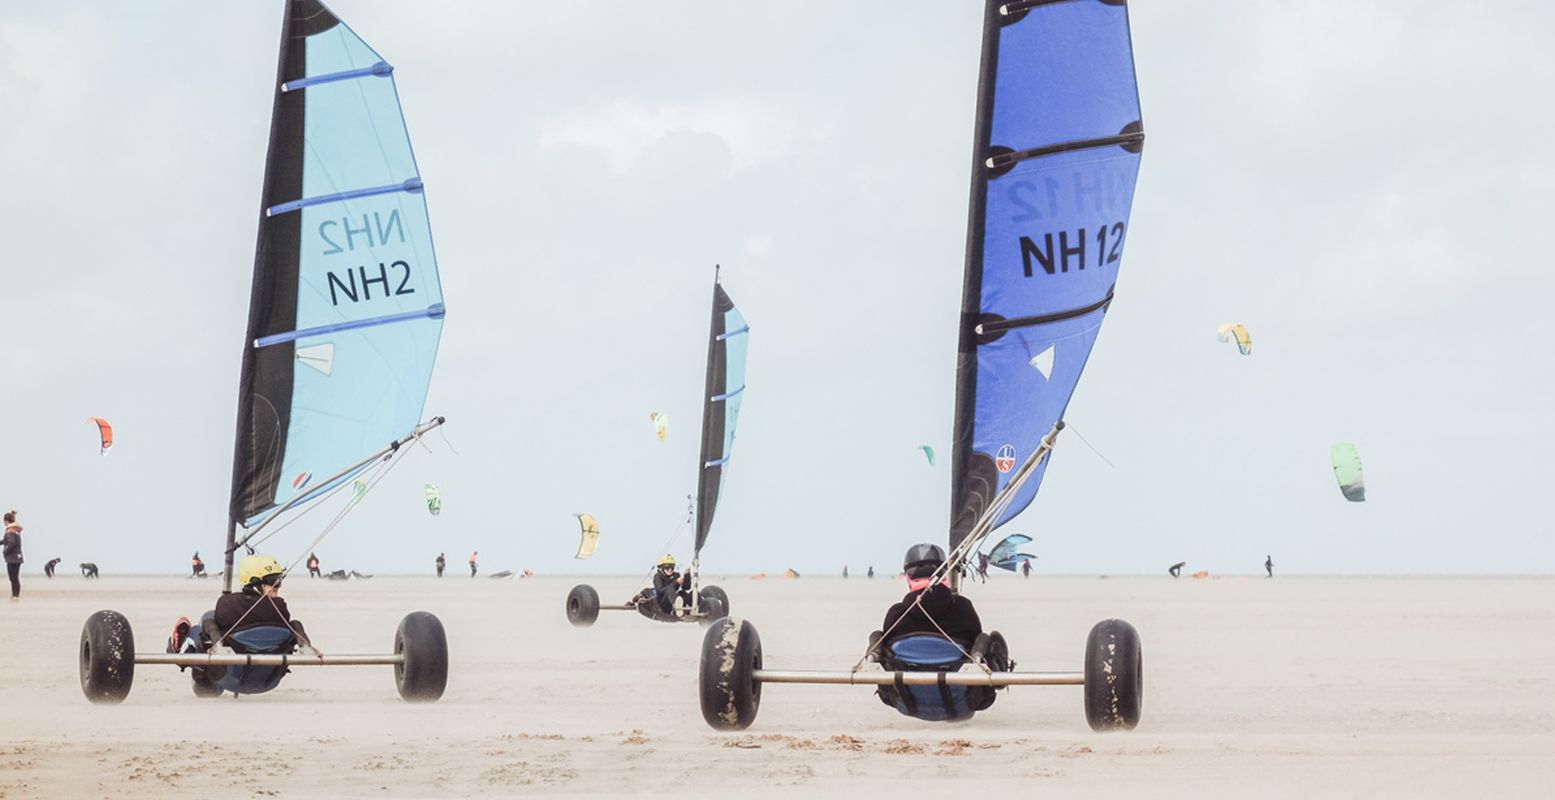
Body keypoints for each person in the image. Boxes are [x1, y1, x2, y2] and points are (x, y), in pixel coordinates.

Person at [880, 544, 983, 645]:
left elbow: (887, 644)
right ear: (944, 575)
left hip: (908, 658)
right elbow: (975, 637)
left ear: (908, 578)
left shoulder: (896, 614)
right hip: (951, 656)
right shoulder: (963, 607)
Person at [213, 554, 307, 644]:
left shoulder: (226, 603)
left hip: (238, 648)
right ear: (255, 582)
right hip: (270, 647)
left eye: (278, 580)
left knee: (208, 620)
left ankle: (217, 644)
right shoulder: (279, 606)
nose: (277, 586)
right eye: (271, 580)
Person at [3, 511, 23, 601]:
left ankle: (15, 595)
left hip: (12, 558)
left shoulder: (10, 531)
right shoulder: (15, 530)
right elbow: (6, 540)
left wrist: (5, 551)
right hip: (18, 557)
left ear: (6, 521)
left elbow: (11, 543)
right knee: (15, 577)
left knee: (13, 577)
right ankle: (15, 595)